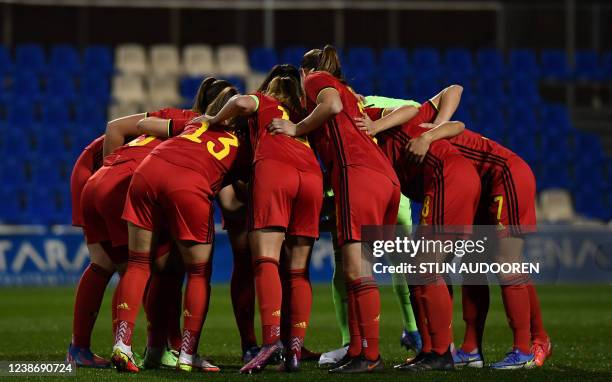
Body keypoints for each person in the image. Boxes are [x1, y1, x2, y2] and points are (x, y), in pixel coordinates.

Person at [269, 45, 401, 373]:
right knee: (356, 269)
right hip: (383, 178)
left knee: (357, 271)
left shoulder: (317, 80)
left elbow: (331, 105)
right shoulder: (350, 92)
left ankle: (370, 357)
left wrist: (296, 129)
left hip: (357, 175)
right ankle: (358, 350)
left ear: (305, 72)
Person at [112, 86, 246, 373]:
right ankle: (186, 355)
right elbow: (235, 199)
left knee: (139, 263)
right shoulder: (240, 143)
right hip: (188, 184)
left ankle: (122, 345)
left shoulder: (194, 123)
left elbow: (142, 125)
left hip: (148, 171)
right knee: (198, 272)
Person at [208, 64, 323, 373]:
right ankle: (293, 349)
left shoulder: (261, 102)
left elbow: (243, 103)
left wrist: (213, 118)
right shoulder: (304, 116)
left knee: (263, 261)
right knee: (298, 270)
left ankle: (270, 343)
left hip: (273, 174)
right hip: (312, 177)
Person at [358, 86, 481, 371]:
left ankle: (441, 353)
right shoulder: (367, 144)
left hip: (448, 178)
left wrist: (430, 132)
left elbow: (448, 96)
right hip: (439, 185)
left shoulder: (372, 119)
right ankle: (429, 349)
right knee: (417, 269)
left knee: (425, 267)